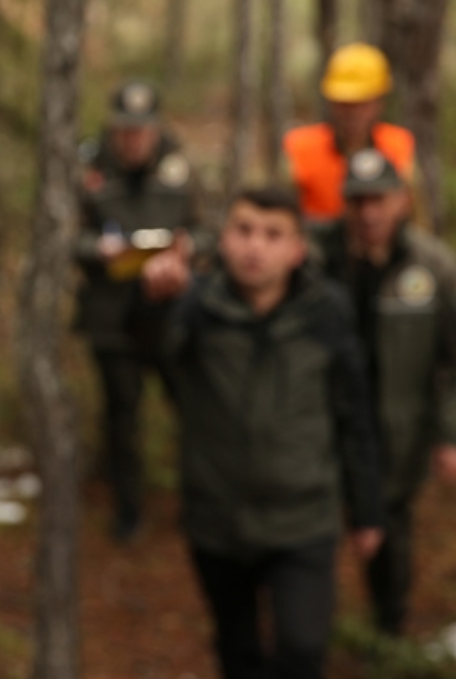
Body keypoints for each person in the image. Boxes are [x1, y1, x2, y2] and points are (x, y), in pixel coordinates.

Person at [160, 188, 384, 679]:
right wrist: (152, 301)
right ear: (223, 240)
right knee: (236, 650)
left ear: (297, 250)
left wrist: (367, 509)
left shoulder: (325, 313)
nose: (254, 247)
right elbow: (150, 359)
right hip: (217, 520)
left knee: (302, 650)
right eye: (243, 231)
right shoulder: (196, 311)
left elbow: (354, 415)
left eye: (272, 234)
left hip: (303, 521)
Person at [313, 149, 456, 636]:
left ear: (402, 201)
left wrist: (453, 434)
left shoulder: (433, 267)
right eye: (358, 201)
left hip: (398, 431)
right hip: (324, 425)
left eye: (380, 199)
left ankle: (389, 627)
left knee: (391, 530)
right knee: (315, 531)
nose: (369, 212)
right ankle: (310, 631)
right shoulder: (316, 260)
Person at [73, 80, 212, 541]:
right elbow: (66, 236)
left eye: (141, 130)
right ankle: (128, 514)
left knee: (191, 412)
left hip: (171, 314)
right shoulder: (88, 168)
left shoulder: (181, 168)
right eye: (124, 130)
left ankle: (196, 505)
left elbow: (208, 230)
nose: (133, 140)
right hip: (112, 318)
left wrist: (186, 250)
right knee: (122, 421)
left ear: (155, 130)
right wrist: (99, 250)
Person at [284, 43, 416, 222]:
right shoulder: (300, 148)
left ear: (380, 102)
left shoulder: (399, 146)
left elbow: (415, 217)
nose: (352, 113)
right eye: (343, 103)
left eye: (362, 103)